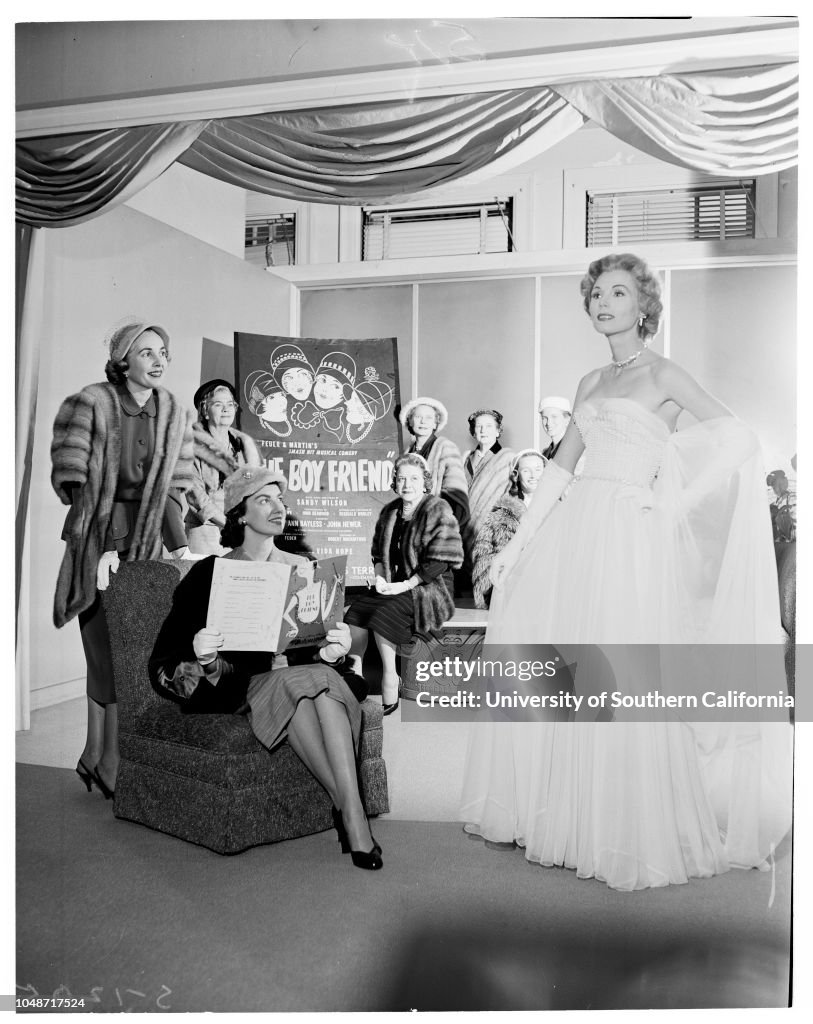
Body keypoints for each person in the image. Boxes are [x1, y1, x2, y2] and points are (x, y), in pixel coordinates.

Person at [460, 252, 792, 891]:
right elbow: (559, 472)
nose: (604, 303)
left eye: (619, 292)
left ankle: (627, 828)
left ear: (644, 305)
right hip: (576, 531)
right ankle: (571, 819)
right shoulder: (588, 383)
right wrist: (511, 549)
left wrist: (672, 500)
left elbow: (738, 439)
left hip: (632, 537)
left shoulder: (665, 373)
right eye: (596, 295)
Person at [149, 467, 382, 870]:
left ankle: (349, 815)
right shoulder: (209, 573)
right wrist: (203, 656)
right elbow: (165, 658)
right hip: (243, 685)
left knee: (316, 682)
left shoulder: (303, 566)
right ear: (240, 514)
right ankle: (352, 813)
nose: (278, 508)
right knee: (313, 684)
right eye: (264, 500)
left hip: (302, 681)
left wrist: (332, 651)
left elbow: (314, 642)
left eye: (281, 501)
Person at [50, 317, 195, 798]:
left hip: (149, 542)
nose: (159, 361)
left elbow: (176, 485)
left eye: (164, 353)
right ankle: (105, 759)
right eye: (148, 351)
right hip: (96, 541)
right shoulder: (90, 402)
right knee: (102, 647)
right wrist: (107, 545)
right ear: (122, 359)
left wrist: (180, 545)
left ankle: (99, 756)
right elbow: (74, 481)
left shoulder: (174, 410)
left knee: (132, 651)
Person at [345, 453, 465, 715]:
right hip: (396, 584)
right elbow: (378, 554)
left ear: (425, 482)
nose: (407, 484)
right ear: (395, 483)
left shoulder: (437, 510)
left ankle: (391, 676)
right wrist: (380, 578)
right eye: (401, 479)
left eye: (413, 478)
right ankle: (354, 677)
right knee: (355, 612)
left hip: (431, 588)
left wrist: (404, 585)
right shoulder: (390, 512)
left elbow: (440, 561)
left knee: (383, 612)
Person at [186, 379, 262, 554]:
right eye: (219, 404)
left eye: (230, 404)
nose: (226, 409)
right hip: (206, 535)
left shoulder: (243, 445)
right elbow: (197, 497)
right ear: (205, 411)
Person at [471, 448, 546, 609]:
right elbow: (483, 552)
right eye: (527, 470)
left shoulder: (559, 507)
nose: (533, 476)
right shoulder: (502, 511)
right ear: (516, 475)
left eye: (538, 470)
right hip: (512, 585)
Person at [464, 408, 515, 542]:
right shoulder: (466, 459)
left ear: (498, 431)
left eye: (488, 426)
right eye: (479, 426)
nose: (483, 430)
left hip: (491, 530)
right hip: (464, 527)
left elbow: (512, 496)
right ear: (473, 432)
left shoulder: (508, 458)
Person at [766, 469, 797, 543]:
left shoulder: (792, 498)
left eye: (775, 484)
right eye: (773, 486)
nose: (775, 489)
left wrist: (780, 512)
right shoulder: (776, 503)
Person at [539, 396, 572, 460]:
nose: (548, 423)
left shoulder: (572, 450)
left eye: (554, 416)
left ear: (567, 419)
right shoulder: (545, 453)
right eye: (544, 418)